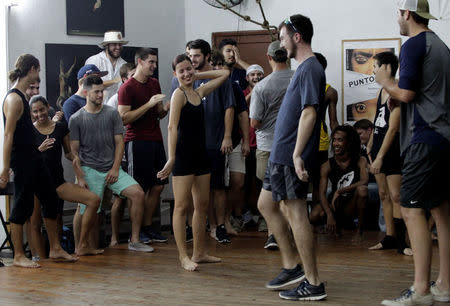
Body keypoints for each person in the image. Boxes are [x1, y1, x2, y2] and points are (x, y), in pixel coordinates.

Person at [377, 1, 450, 304]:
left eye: (399, 14)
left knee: (410, 209)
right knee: (442, 213)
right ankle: (444, 286)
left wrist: (386, 84)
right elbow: (423, 95)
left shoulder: (414, 44)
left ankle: (420, 289)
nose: (398, 19)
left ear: (407, 14)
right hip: (444, 139)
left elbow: (406, 92)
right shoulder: (441, 46)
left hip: (425, 139)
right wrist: (400, 98)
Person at [257, 15, 327, 301]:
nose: (281, 41)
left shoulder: (311, 68)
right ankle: (291, 265)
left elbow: (309, 112)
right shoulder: (303, 68)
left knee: (297, 214)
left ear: (297, 37)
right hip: (280, 153)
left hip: (290, 155)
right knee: (266, 204)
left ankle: (313, 282)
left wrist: (297, 154)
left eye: (284, 36)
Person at [1, 54, 78, 268]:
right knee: (22, 206)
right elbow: (8, 136)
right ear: (33, 69)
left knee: (51, 199)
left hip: (35, 158)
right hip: (23, 160)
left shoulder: (22, 96)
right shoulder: (14, 99)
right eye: (39, 70)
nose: (39, 74)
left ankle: (55, 249)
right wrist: (5, 168)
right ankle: (17, 256)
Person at [157, 54, 230, 271]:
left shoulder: (199, 92)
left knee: (202, 206)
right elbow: (171, 127)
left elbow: (225, 73)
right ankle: (183, 256)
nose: (187, 74)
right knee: (181, 207)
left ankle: (199, 252)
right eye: (182, 71)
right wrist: (171, 158)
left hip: (201, 156)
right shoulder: (178, 95)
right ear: (175, 74)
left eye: (189, 69)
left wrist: (199, 74)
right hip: (183, 157)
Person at [69, 75, 153, 253]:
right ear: (86, 92)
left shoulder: (111, 113)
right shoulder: (76, 119)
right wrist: (80, 177)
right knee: (90, 210)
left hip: (111, 168)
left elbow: (119, 143)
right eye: (96, 92)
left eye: (102, 91)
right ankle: (83, 247)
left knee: (137, 193)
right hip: (89, 169)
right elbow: (74, 152)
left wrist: (115, 168)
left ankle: (135, 240)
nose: (101, 95)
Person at [29, 95, 102, 257]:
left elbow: (69, 154)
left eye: (41, 109)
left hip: (57, 182)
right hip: (35, 183)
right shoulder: (29, 130)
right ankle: (42, 260)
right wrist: (39, 150)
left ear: (48, 107)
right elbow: (24, 159)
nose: (39, 114)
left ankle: (81, 245)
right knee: (35, 223)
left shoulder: (60, 127)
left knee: (94, 200)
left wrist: (80, 174)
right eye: (35, 112)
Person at [118, 48, 169, 244]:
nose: (154, 67)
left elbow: (158, 113)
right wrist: (148, 105)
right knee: (138, 190)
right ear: (140, 62)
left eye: (155, 63)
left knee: (157, 187)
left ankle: (147, 228)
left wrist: (167, 107)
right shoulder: (127, 87)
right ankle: (136, 233)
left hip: (156, 139)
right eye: (151, 62)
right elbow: (124, 118)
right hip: (136, 141)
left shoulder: (154, 83)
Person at [187, 39, 235, 243]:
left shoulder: (221, 78)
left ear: (207, 56)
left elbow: (229, 108)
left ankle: (219, 226)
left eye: (196, 55)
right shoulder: (186, 79)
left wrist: (226, 136)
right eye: (189, 55)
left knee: (217, 187)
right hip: (193, 145)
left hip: (215, 142)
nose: (192, 59)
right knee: (193, 188)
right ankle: (194, 226)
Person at [249, 40, 294, 249]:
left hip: (268, 145)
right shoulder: (298, 79)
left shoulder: (262, 86)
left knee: (269, 196)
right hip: (295, 145)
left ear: (269, 58)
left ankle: (273, 235)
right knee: (289, 195)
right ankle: (287, 234)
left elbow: (255, 122)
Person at [367, 52, 412, 256]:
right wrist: (370, 143)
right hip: (378, 146)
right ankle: (390, 238)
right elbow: (379, 120)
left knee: (396, 195)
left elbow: (393, 129)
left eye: (375, 66)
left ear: (386, 68)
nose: (373, 70)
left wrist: (380, 156)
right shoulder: (382, 91)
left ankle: (404, 242)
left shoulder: (397, 90)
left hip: (392, 150)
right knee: (384, 194)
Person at [210, 49, 250, 235]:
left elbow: (243, 114)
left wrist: (246, 141)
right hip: (211, 144)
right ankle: (217, 223)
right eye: (215, 65)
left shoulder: (233, 86)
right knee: (215, 185)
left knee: (238, 182)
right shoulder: (205, 85)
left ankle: (226, 218)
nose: (218, 68)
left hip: (234, 141)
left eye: (221, 65)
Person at [316, 125, 368, 238]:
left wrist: (340, 191)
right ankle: (331, 224)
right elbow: (321, 193)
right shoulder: (326, 165)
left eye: (340, 140)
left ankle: (359, 231)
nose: (336, 144)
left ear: (349, 143)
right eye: (334, 140)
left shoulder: (360, 160)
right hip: (334, 203)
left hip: (350, 203)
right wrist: (329, 214)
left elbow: (365, 181)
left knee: (362, 190)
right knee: (314, 216)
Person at [309, 52, 339, 231]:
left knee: (318, 181)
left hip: (320, 142)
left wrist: (338, 145)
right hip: (302, 141)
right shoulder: (300, 86)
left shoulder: (330, 91)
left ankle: (312, 221)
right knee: (301, 180)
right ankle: (299, 221)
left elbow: (333, 121)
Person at [85, 30, 128, 102]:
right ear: (106, 46)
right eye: (114, 44)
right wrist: (115, 81)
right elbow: (89, 86)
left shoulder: (124, 64)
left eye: (120, 44)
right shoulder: (94, 61)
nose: (118, 47)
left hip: (117, 109)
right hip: (97, 108)